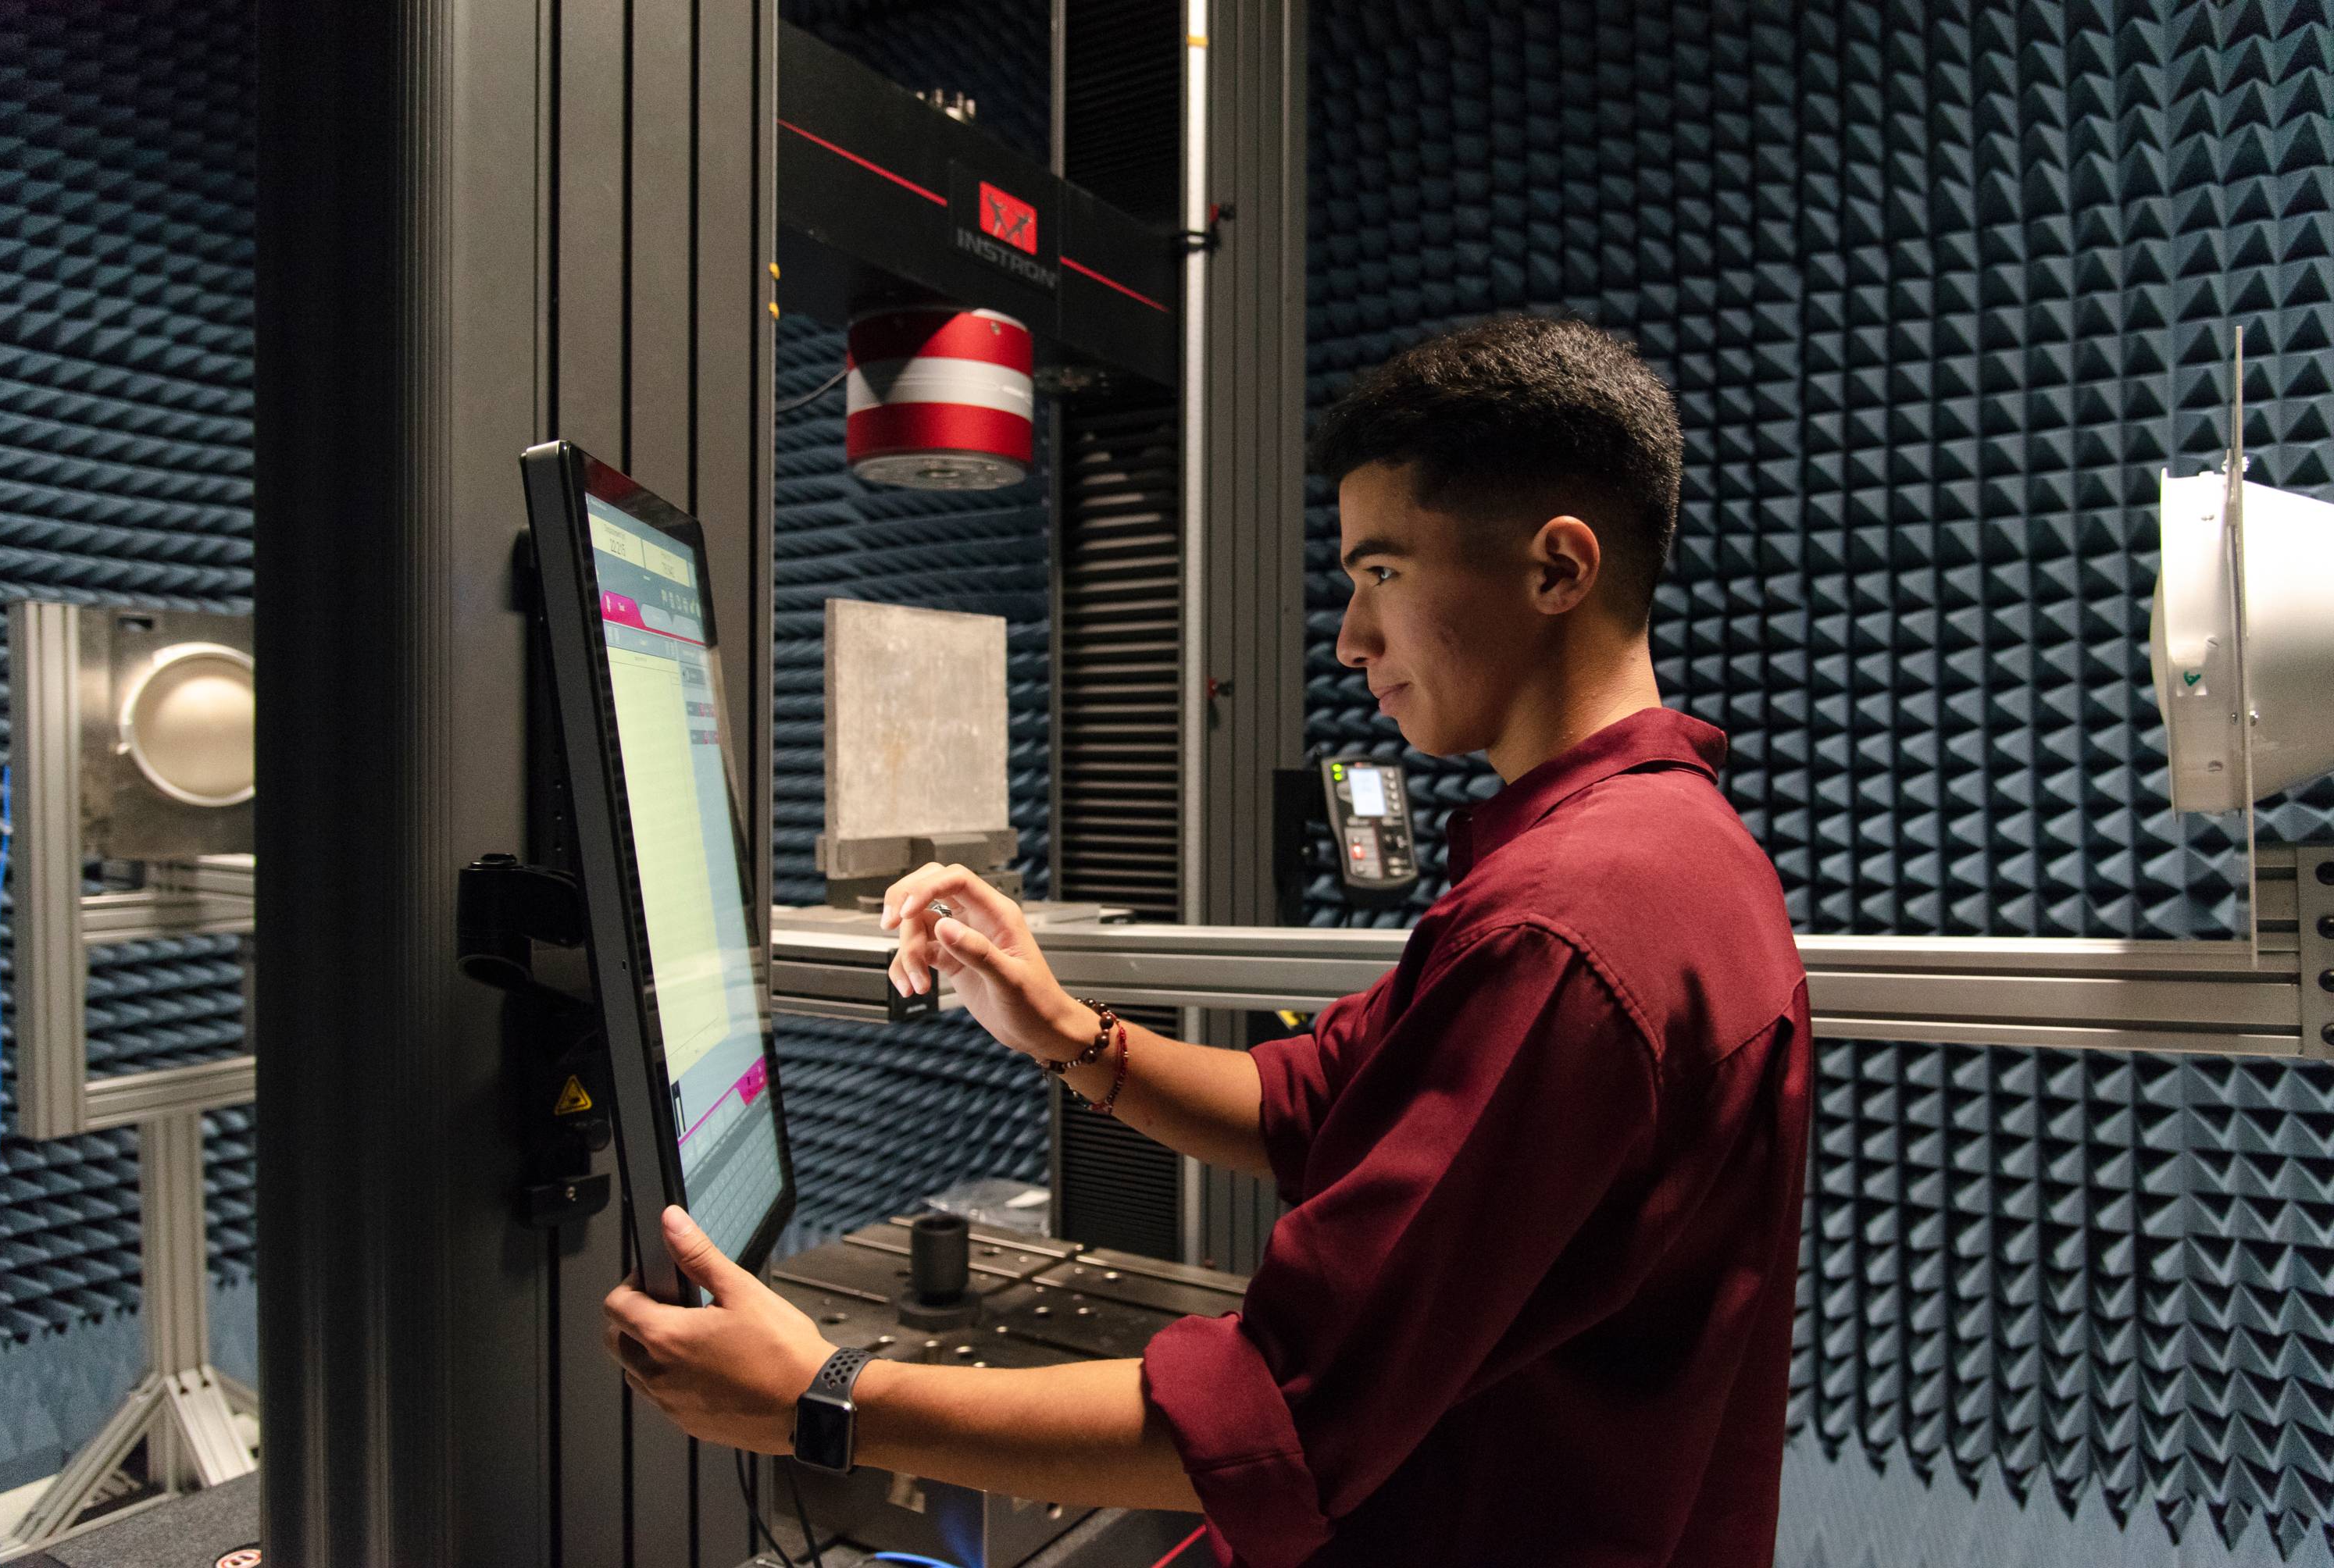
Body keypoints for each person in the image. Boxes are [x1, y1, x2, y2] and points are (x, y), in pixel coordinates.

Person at [603, 315, 1812, 1567]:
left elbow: (1279, 1411)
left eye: (1382, 574)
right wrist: (1064, 1030)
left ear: (1559, 567)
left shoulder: (1570, 924)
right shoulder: (1651, 854)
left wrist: (824, 1395)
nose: (1352, 639)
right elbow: (1323, 1099)